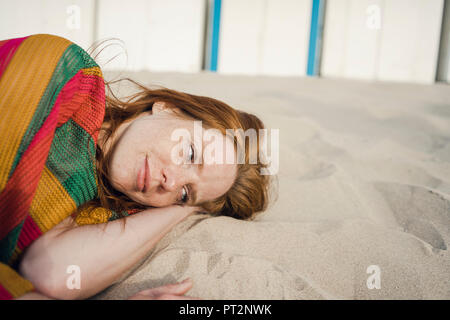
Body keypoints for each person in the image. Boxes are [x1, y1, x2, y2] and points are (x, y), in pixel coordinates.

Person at [0, 34, 271, 300]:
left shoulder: (90, 208)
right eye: (189, 154)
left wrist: (187, 208)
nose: (171, 182)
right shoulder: (68, 74)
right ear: (168, 108)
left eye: (185, 192)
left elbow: (48, 273)